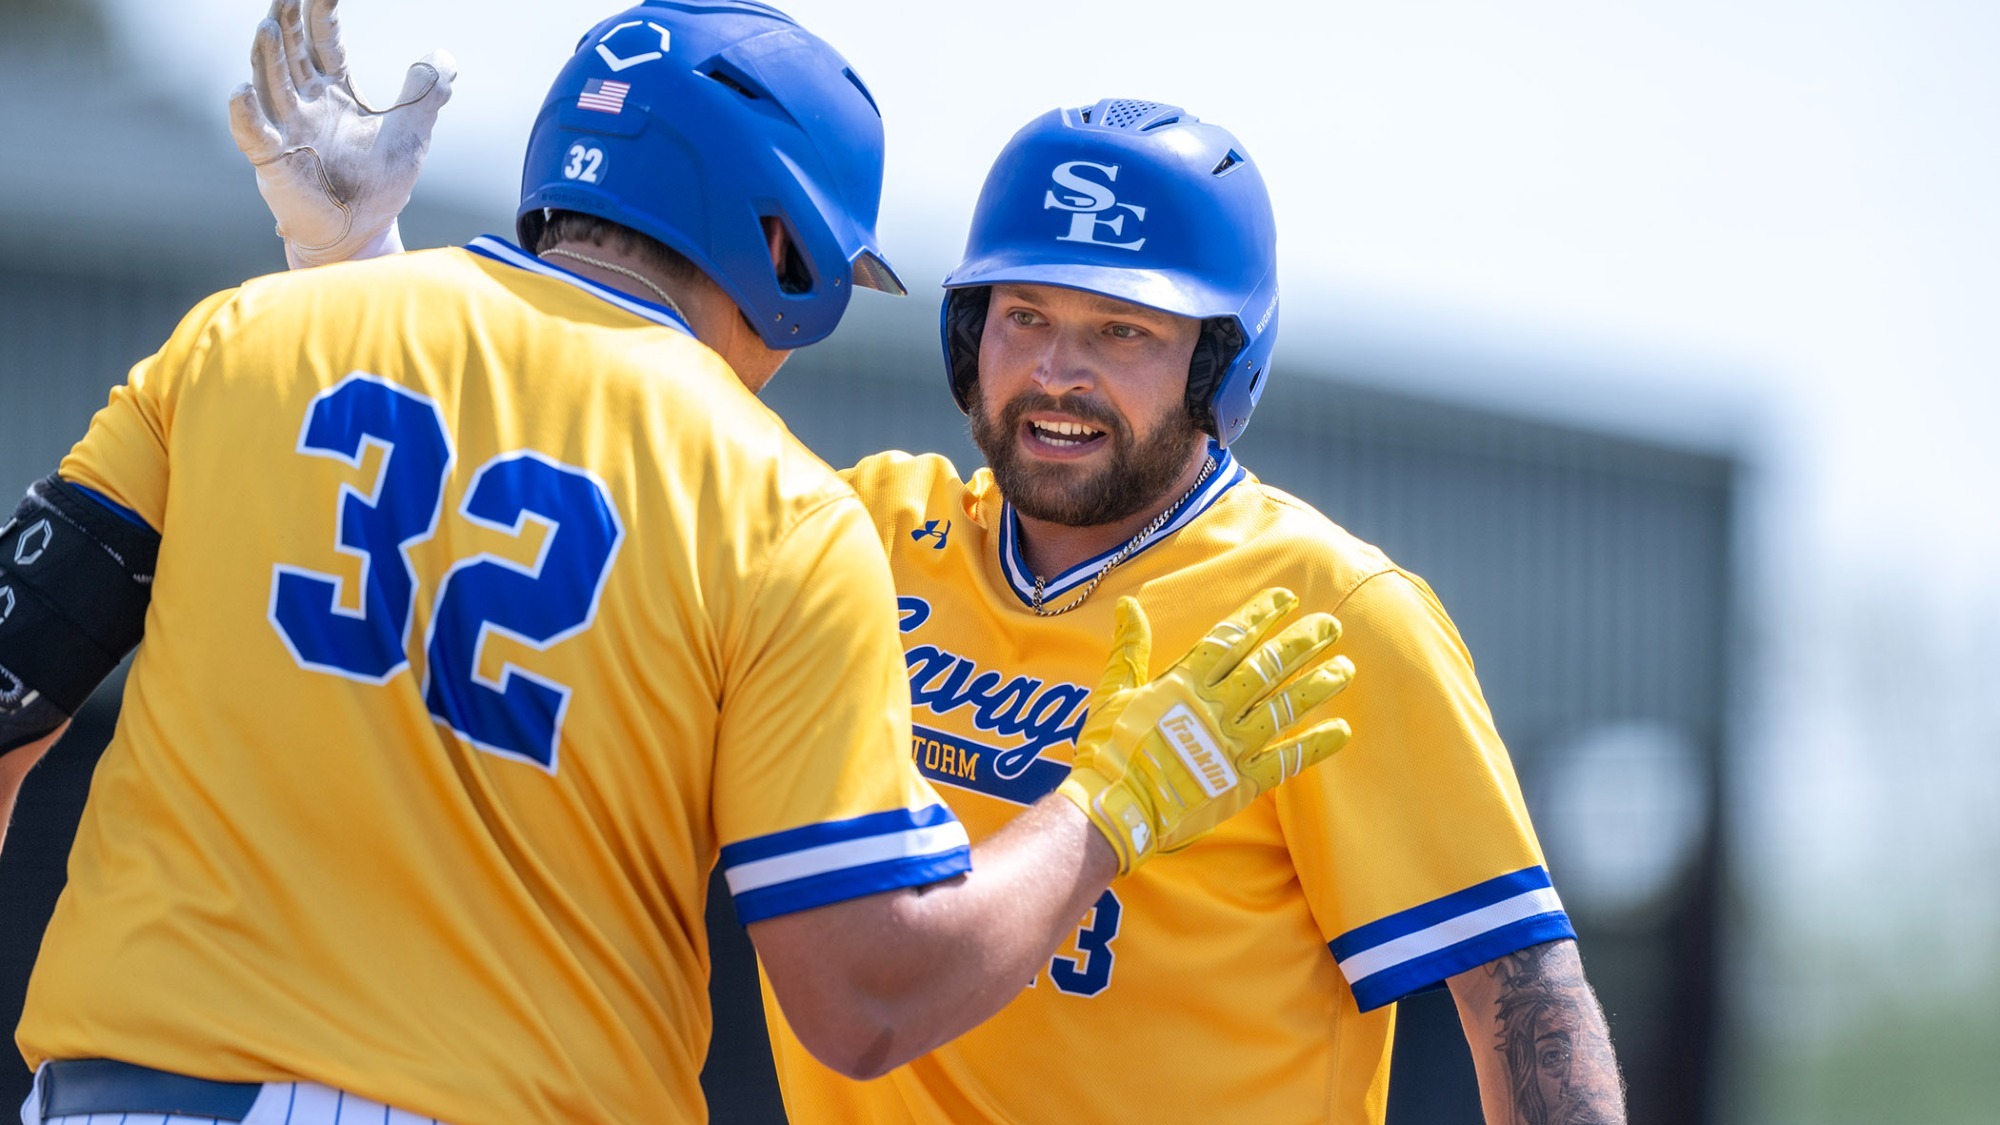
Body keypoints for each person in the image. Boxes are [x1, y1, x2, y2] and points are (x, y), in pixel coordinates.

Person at [233, 9, 1629, 1125]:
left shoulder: (1329, 614)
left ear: (1221, 366)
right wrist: (356, 269)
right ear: (967, 335)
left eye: (1124, 332)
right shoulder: (855, 528)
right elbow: (524, 524)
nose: (1059, 372)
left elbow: (1519, 987)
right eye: (1023, 315)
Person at [0, 4, 1357, 1124]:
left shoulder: (249, 337)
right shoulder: (777, 507)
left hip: (126, 1098)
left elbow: (15, 697)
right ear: (786, 248)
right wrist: (1113, 801)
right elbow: (865, 994)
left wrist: (349, 276)